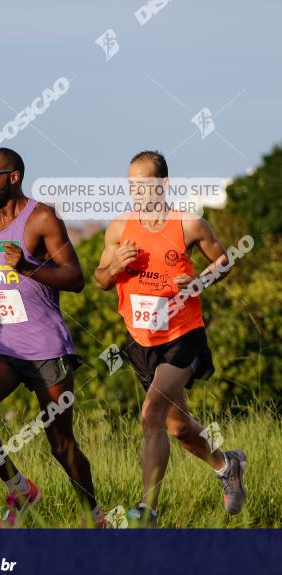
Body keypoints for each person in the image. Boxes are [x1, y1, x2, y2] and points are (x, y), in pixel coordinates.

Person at [94, 150, 246, 526]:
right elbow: (99, 280)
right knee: (177, 427)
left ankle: (148, 510)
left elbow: (223, 262)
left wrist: (197, 283)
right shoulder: (119, 228)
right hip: (140, 340)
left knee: (150, 416)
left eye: (143, 185)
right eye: (131, 185)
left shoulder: (189, 225)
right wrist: (115, 265)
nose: (136, 192)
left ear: (162, 185)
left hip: (182, 336)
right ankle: (228, 465)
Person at [0, 147, 104, 528]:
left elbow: (75, 278)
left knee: (60, 444)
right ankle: (22, 490)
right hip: (1, 342)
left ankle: (94, 517)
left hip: (45, 346)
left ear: (14, 177)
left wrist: (26, 266)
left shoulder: (41, 218)